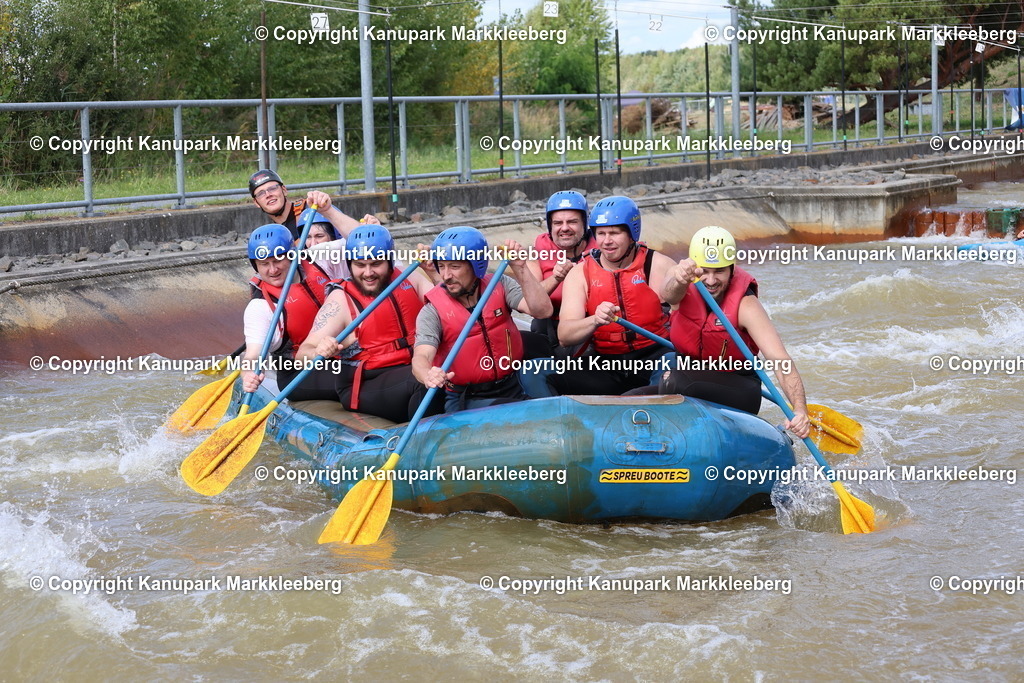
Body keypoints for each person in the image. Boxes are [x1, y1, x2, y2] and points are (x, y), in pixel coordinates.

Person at [660, 226, 810, 438]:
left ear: (731, 268)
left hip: (738, 387)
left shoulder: (746, 306)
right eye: (705, 271)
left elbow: (780, 361)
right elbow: (668, 296)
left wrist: (800, 410)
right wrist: (679, 279)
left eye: (719, 271)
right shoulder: (681, 280)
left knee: (674, 379)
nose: (711, 281)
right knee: (634, 395)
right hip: (689, 375)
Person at [296, 225, 437, 423]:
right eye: (360, 265)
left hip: (413, 366)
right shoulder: (341, 299)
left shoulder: (408, 277)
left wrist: (434, 274)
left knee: (441, 374)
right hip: (365, 384)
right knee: (424, 382)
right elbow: (303, 354)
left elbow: (447, 310)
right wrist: (318, 351)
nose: (368, 273)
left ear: (389, 261)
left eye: (376, 264)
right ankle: (419, 445)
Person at [413, 227, 553, 413]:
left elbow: (542, 311)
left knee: (550, 398)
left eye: (454, 266)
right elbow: (421, 356)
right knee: (518, 412)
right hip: (468, 397)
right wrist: (427, 374)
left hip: (513, 382)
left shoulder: (500, 283)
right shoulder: (432, 310)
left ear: (476, 265)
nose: (446, 275)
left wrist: (520, 268)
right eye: (442, 266)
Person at [548, 196, 675, 396]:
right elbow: (564, 335)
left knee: (673, 361)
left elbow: (687, 315)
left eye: (615, 233)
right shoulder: (580, 273)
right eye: (601, 233)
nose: (606, 241)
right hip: (606, 364)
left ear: (632, 233)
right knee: (539, 371)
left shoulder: (657, 264)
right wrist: (595, 321)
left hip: (654, 355)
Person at [240, 224, 340, 400]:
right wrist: (248, 374)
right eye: (264, 264)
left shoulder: (319, 259)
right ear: (255, 265)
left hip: (342, 354)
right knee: (354, 377)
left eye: (278, 260)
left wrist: (329, 210)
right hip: (299, 374)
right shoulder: (260, 307)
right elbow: (253, 354)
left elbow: (359, 245)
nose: (272, 270)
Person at [525, 191, 597, 351]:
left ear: (584, 223)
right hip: (549, 329)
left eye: (572, 222)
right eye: (558, 223)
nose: (564, 228)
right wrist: (556, 278)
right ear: (550, 226)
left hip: (588, 330)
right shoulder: (539, 251)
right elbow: (531, 305)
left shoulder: (603, 245)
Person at [248, 169, 372, 241]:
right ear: (256, 203)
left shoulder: (312, 208)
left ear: (284, 190)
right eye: (261, 193)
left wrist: (328, 210)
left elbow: (361, 238)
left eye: (273, 188)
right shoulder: (273, 234)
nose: (268, 194)